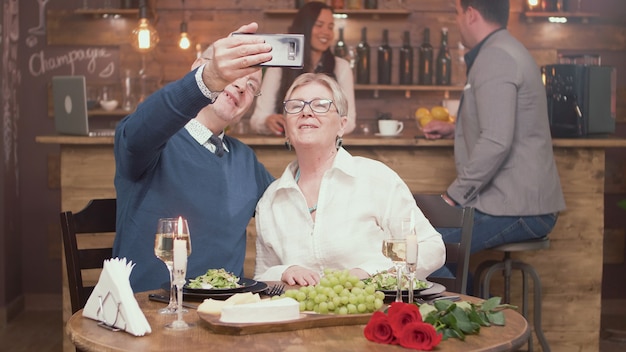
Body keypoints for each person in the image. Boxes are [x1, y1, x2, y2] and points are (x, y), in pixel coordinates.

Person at [113, 22, 276, 292]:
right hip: (150, 314)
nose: (240, 86)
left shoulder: (246, 160)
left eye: (252, 84)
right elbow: (143, 127)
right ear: (198, 66)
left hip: (225, 319)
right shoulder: (153, 143)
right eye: (233, 70)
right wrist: (208, 79)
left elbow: (289, 207)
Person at [253, 73, 445, 286]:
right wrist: (285, 271)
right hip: (303, 316)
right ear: (287, 128)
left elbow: (431, 247)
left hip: (374, 310)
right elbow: (262, 275)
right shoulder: (271, 200)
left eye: (320, 105)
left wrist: (367, 272)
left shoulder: (375, 178)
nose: (306, 112)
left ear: (342, 125)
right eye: (295, 106)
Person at [422, 0, 565, 266]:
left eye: (457, 13)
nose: (457, 22)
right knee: (432, 247)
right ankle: (470, 302)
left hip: (519, 209)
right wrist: (456, 128)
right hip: (518, 205)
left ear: (471, 14)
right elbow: (505, 124)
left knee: (426, 250)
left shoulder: (495, 57)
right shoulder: (505, 49)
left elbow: (496, 141)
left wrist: (452, 197)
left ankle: (469, 306)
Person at [249, 1, 356, 135]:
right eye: (319, 25)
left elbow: (349, 121)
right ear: (304, 27)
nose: (326, 32)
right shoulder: (279, 68)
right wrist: (267, 121)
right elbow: (257, 120)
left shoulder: (341, 67)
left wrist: (321, 128)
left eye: (330, 27)